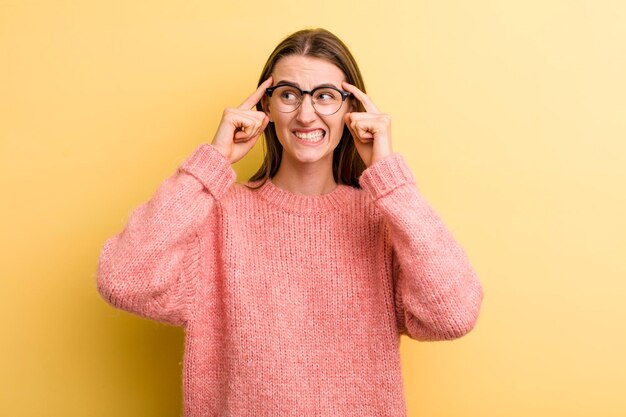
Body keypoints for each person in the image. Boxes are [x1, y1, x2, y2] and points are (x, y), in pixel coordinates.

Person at [97, 28, 484, 417]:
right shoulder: (216, 214)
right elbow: (124, 281)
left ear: (353, 110)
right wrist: (211, 162)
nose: (305, 113)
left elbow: (453, 315)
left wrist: (389, 179)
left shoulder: (382, 219)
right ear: (265, 107)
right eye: (288, 94)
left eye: (326, 96)